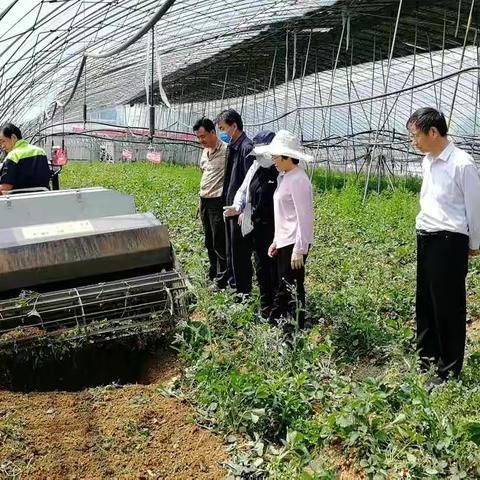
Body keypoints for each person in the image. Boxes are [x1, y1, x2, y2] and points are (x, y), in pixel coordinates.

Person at [407, 107, 480, 386]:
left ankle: (448, 370)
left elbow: (475, 207)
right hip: (426, 235)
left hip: (449, 240)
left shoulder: (462, 163)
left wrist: (475, 243)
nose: (414, 142)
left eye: (416, 135)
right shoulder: (428, 161)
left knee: (448, 306)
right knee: (425, 299)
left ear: (433, 132)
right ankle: (426, 358)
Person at [259, 130, 314, 330]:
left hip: (294, 242)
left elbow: (304, 217)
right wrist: (276, 240)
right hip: (285, 240)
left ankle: (282, 327)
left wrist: (299, 248)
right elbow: (283, 214)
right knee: (290, 286)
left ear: (287, 156)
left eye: (275, 156)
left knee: (287, 287)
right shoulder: (285, 176)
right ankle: (292, 326)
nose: (273, 159)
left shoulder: (299, 180)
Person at [224, 130, 278, 317]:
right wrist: (238, 206)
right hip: (257, 226)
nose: (260, 157)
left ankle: (277, 311)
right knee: (261, 268)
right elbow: (243, 189)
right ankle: (266, 309)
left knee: (274, 270)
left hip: (274, 229)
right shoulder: (256, 166)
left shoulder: (281, 172)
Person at [215, 109, 254, 294]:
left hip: (239, 211)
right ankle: (233, 285)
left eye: (223, 128)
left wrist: (242, 209)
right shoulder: (233, 146)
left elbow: (249, 184)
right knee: (231, 250)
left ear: (234, 126)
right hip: (231, 208)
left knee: (240, 253)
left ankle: (243, 291)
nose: (221, 132)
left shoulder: (246, 147)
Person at [193, 117, 228, 286]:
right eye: (198, 137)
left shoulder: (227, 151)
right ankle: (213, 273)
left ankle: (222, 279)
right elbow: (204, 176)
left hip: (217, 201)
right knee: (208, 240)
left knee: (219, 241)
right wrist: (199, 203)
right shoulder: (204, 152)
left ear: (213, 132)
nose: (201, 140)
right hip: (205, 201)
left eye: (203, 136)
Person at [0, 123, 51, 194]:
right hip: (43, 197)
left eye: (3, 141)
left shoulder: (13, 155)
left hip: (19, 200)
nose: (2, 146)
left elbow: (5, 189)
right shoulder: (40, 151)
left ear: (13, 137)